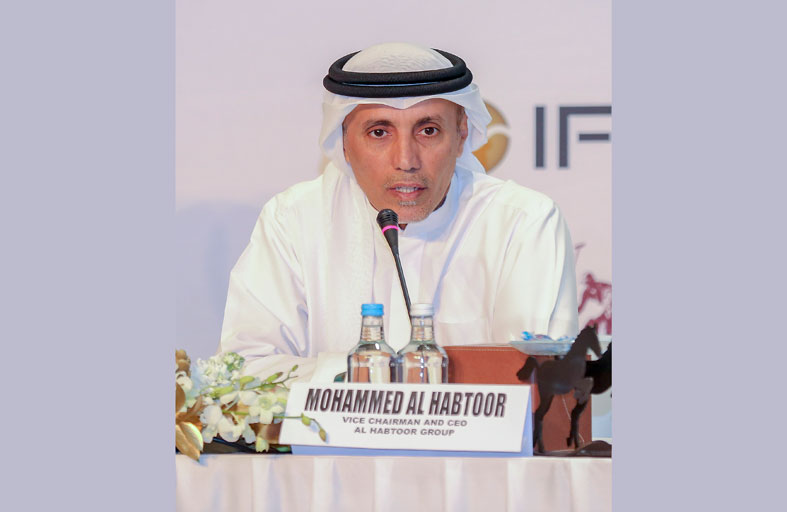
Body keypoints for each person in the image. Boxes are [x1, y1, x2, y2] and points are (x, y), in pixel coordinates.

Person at [218, 42, 578, 380]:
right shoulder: (294, 220)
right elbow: (246, 369)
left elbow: (536, 376)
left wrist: (355, 376)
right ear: (344, 142)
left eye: (428, 130)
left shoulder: (523, 223)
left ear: (461, 134)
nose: (406, 160)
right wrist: (378, 375)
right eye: (379, 133)